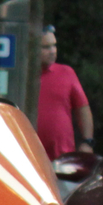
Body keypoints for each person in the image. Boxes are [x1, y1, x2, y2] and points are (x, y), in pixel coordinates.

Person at [33, 25, 95, 160]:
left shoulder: (66, 73)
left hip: (62, 157)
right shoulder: (23, 78)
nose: (52, 51)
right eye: (46, 47)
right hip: (30, 157)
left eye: (54, 46)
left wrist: (87, 142)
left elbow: (82, 108)